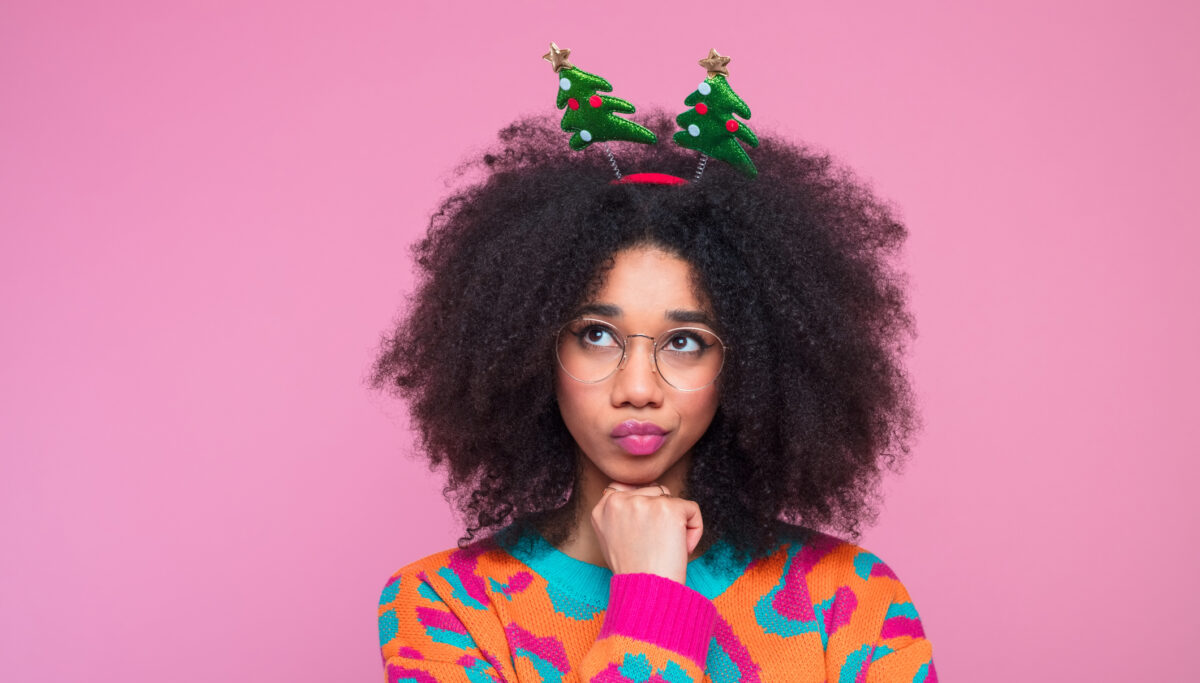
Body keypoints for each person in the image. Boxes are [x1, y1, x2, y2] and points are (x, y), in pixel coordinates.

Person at [370, 110, 936, 682]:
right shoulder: (446, 605)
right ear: (528, 347)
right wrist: (653, 593)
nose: (637, 389)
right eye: (596, 335)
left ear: (747, 365)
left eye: (686, 341)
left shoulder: (847, 598)